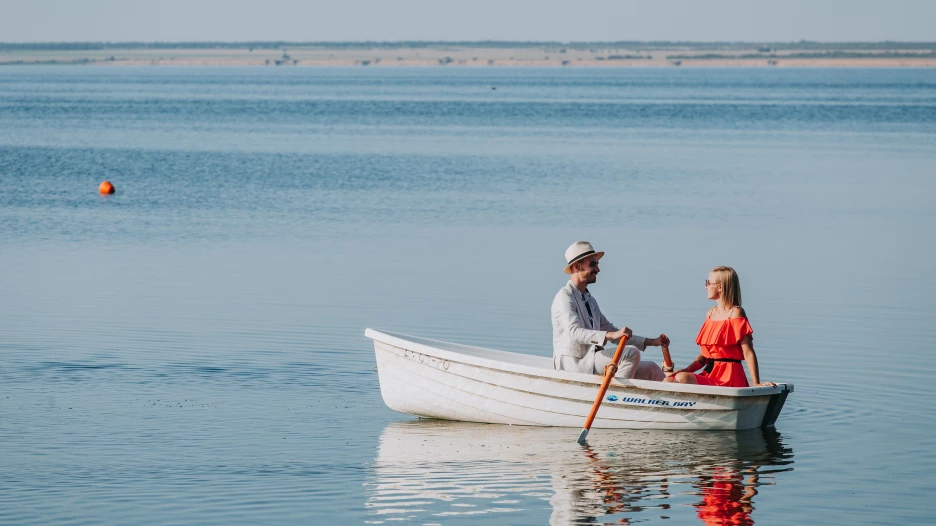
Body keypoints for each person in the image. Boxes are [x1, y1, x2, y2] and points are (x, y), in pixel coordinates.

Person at [551, 241, 667, 381]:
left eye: (597, 264)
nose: (598, 270)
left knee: (651, 368)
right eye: (593, 264)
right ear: (577, 266)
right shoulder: (564, 297)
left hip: (593, 360)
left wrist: (651, 342)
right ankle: (616, 397)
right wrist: (610, 335)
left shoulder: (589, 299)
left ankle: (678, 398)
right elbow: (574, 333)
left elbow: (611, 331)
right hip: (576, 365)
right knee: (631, 353)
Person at [664, 266, 774, 387]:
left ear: (720, 287)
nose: (706, 287)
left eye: (708, 283)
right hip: (710, 372)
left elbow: (748, 352)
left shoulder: (736, 313)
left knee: (681, 378)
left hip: (729, 376)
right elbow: (705, 357)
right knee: (670, 379)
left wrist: (756, 383)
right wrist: (686, 369)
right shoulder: (710, 313)